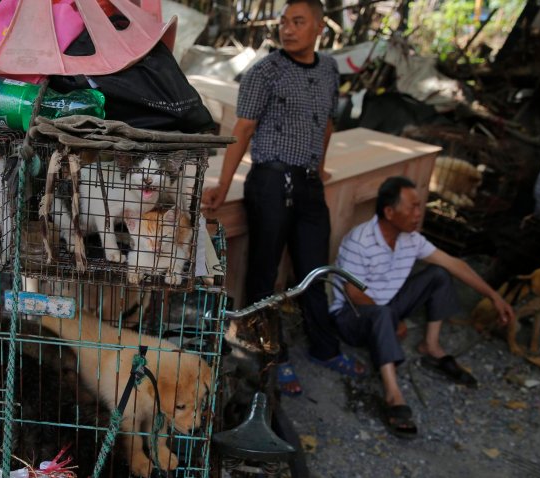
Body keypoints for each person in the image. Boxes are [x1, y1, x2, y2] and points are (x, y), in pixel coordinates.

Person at [203, 0, 364, 397]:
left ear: (319, 27)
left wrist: (320, 165)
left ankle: (324, 347)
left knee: (314, 268)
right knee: (266, 271)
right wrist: (223, 185)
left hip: (308, 182)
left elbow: (326, 121)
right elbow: (242, 129)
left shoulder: (329, 69)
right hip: (271, 182)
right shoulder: (265, 71)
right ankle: (273, 354)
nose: (288, 29)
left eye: (298, 21)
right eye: (284, 22)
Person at [331, 176, 515, 438]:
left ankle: (432, 345)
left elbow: (455, 264)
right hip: (352, 316)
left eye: (420, 206)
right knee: (382, 313)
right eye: (413, 207)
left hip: (387, 306)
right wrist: (392, 320)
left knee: (439, 274)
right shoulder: (359, 241)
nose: (419, 213)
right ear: (389, 212)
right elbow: (353, 295)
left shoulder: (411, 239)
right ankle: (393, 394)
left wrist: (494, 296)